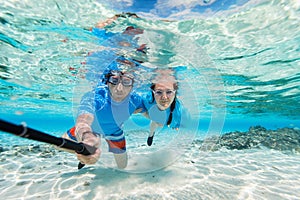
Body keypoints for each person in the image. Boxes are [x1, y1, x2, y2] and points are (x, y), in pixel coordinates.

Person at [62, 56, 146, 169]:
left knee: (122, 166)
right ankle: (85, 155)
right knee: (59, 145)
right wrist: (87, 137)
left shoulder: (136, 100)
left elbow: (143, 110)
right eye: (114, 80)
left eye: (126, 82)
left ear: (133, 85)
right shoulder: (95, 97)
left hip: (115, 133)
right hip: (92, 131)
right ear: (107, 82)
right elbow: (84, 120)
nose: (119, 88)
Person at [142, 69, 190, 146]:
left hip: (166, 118)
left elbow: (182, 120)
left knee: (158, 121)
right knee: (154, 122)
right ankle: (151, 135)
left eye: (169, 92)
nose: (164, 97)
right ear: (153, 92)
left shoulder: (178, 110)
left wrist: (177, 124)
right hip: (154, 116)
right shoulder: (147, 99)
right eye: (159, 92)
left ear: (174, 93)